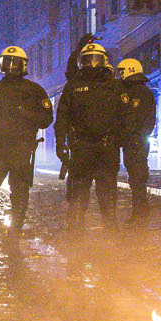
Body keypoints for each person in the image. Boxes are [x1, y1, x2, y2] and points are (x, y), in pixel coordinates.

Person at [55, 42, 129, 230]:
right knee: (79, 191)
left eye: (95, 60)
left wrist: (119, 139)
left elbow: (126, 117)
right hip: (83, 147)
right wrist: (60, 144)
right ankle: (76, 231)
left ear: (104, 61)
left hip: (106, 147)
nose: (91, 64)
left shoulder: (115, 86)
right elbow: (62, 117)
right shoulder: (73, 86)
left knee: (107, 190)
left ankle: (110, 230)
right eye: (87, 60)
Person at [0, 46, 53, 232]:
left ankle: (16, 227)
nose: (11, 66)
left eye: (15, 63)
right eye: (7, 62)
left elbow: (46, 119)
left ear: (23, 65)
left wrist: (25, 113)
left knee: (20, 190)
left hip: (21, 149)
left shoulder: (34, 90)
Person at [117, 58, 157, 222]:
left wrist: (130, 136)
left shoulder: (136, 93)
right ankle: (140, 211)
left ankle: (140, 212)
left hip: (135, 142)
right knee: (136, 178)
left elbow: (137, 120)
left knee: (137, 178)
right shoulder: (143, 92)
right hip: (135, 141)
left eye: (122, 72)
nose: (120, 75)